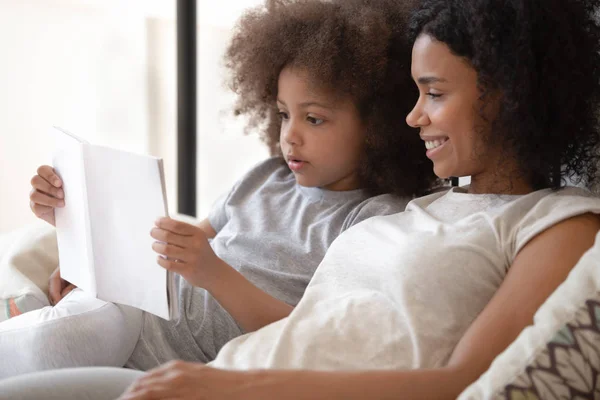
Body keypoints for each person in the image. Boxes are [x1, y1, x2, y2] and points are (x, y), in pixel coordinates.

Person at [1, 0, 599, 398]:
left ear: (508, 96)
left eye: (434, 94)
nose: (413, 116)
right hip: (208, 375)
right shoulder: (429, 203)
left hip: (229, 385)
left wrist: (230, 387)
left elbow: (462, 380)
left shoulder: (558, 223)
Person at [0, 0, 435, 378]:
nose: (290, 136)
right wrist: (75, 231)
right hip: (136, 314)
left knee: (76, 334)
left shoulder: (374, 219)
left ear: (379, 126)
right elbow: (172, 253)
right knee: (82, 322)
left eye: (314, 119)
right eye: (284, 114)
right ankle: (35, 314)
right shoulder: (264, 177)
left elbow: (313, 335)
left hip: (168, 356)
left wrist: (213, 274)